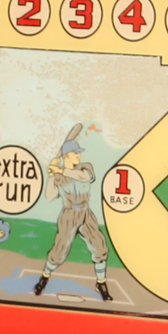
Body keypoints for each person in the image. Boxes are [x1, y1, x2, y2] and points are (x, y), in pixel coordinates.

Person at [32, 124, 113, 301]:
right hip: (68, 215)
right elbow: (49, 196)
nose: (79, 155)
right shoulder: (59, 175)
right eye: (75, 153)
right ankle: (44, 277)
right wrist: (52, 176)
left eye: (78, 153)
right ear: (67, 155)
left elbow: (85, 177)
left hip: (86, 213)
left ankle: (101, 283)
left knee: (100, 247)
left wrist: (60, 170)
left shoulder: (85, 167)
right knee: (59, 252)